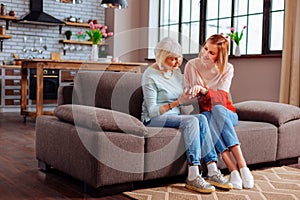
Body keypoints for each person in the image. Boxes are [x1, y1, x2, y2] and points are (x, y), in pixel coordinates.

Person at [141, 37, 233, 194]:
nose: (178, 63)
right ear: (162, 56)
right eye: (172, 59)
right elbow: (152, 111)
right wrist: (178, 102)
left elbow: (183, 101)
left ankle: (212, 169)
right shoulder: (150, 75)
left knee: (202, 119)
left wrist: (190, 97)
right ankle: (193, 174)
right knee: (191, 121)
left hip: (174, 117)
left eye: (179, 58)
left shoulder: (176, 73)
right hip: (153, 119)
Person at [184, 34, 254, 189]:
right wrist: (191, 93)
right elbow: (186, 95)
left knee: (216, 110)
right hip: (207, 114)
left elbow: (222, 98)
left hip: (227, 113)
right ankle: (233, 169)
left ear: (219, 56)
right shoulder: (191, 66)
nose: (205, 54)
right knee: (205, 118)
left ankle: (242, 165)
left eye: (211, 53)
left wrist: (203, 90)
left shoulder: (227, 68)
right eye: (205, 48)